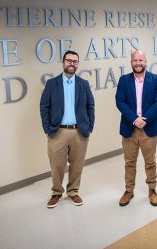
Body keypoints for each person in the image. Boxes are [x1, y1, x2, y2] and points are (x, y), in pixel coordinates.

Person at [40, 50, 95, 208]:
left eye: (75, 61)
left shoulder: (83, 84)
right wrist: (47, 128)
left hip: (80, 132)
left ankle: (73, 192)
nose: (72, 63)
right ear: (63, 62)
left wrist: (89, 126)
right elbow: (44, 106)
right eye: (69, 60)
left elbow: (90, 105)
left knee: (77, 165)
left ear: (78, 64)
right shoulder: (52, 83)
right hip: (58, 132)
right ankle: (57, 192)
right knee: (56, 165)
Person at [115, 50, 157, 207]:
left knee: (150, 162)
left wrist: (145, 119)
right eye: (135, 60)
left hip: (148, 128)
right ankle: (129, 191)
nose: (138, 63)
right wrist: (134, 119)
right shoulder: (124, 80)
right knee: (129, 162)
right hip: (129, 128)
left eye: (140, 60)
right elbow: (120, 101)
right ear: (131, 62)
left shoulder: (155, 79)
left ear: (146, 61)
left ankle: (152, 190)